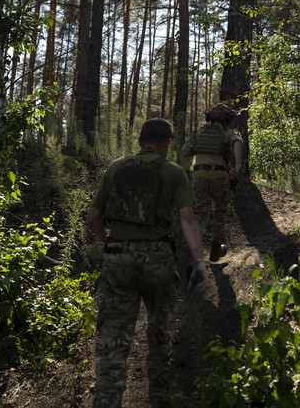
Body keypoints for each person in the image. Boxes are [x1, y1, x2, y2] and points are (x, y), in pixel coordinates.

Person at [85, 118, 207, 408]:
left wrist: (108, 243)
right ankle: (160, 400)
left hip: (118, 257)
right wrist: (199, 262)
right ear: (167, 143)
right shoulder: (174, 172)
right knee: (160, 335)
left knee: (112, 342)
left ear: (140, 141)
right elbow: (188, 220)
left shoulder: (115, 167)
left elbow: (93, 217)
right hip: (157, 259)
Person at [180, 102, 243, 261]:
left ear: (209, 118)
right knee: (221, 211)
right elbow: (238, 142)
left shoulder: (200, 132)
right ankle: (216, 248)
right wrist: (237, 167)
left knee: (200, 213)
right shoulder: (229, 132)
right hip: (220, 176)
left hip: (199, 176)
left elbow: (184, 152)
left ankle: (193, 252)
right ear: (228, 119)